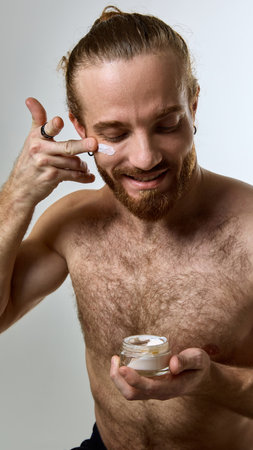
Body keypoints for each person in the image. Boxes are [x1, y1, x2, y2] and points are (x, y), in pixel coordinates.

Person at [1, 5, 253, 449]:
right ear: (80, 128)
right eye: (115, 134)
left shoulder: (248, 229)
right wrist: (17, 197)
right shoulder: (71, 223)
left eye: (167, 124)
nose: (145, 158)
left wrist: (212, 382)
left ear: (193, 106)